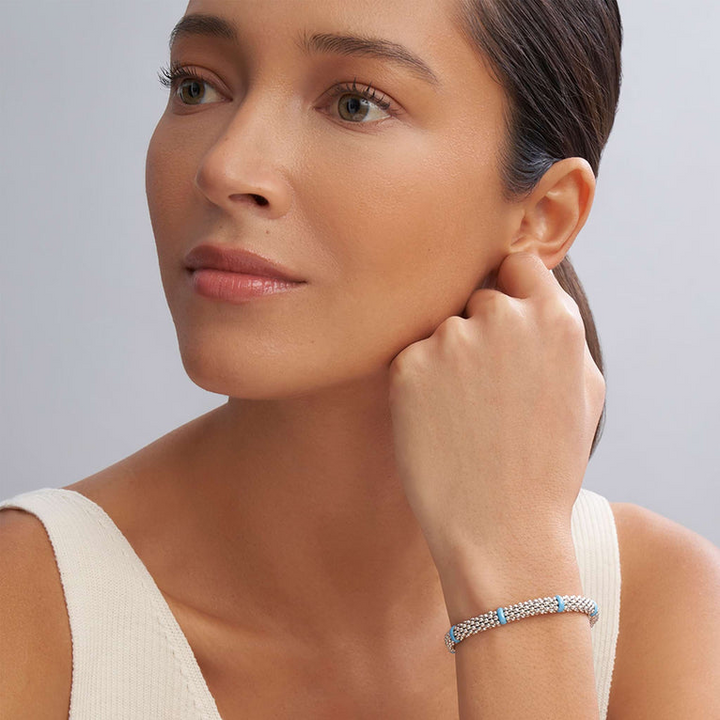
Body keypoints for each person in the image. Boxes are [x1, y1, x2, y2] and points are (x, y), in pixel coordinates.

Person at [2, 0, 719, 718]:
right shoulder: (28, 607)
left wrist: (514, 583)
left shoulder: (666, 609)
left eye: (353, 104)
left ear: (545, 215)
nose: (226, 166)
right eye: (196, 85)